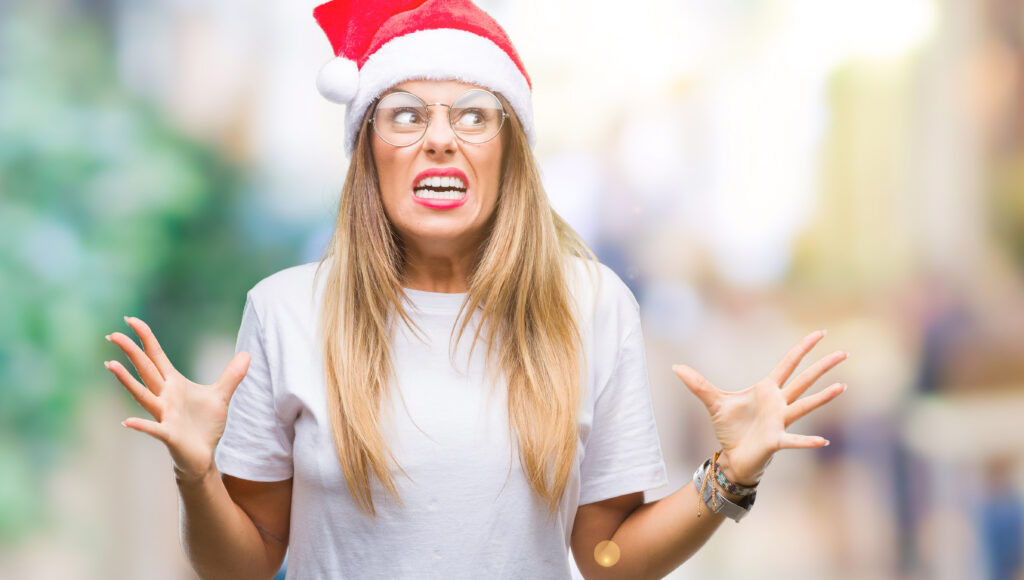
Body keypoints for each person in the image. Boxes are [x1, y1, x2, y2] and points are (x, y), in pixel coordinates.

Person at [103, 1, 849, 578]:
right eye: (405, 115)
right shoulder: (285, 310)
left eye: (472, 115)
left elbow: (608, 561)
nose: (439, 138)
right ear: (368, 150)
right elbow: (246, 565)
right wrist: (197, 475)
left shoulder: (591, 307)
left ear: (508, 150)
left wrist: (730, 474)